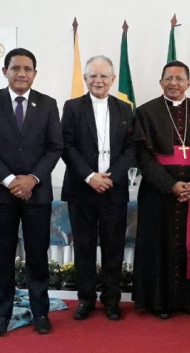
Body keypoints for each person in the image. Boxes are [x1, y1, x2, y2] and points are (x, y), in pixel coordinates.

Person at [0, 48, 62, 336]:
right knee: (2, 256)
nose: (21, 73)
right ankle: (2, 314)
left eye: (28, 69)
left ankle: (40, 312)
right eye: (15, 68)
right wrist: (11, 180)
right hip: (1, 194)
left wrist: (32, 179)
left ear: (35, 74)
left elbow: (54, 147)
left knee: (37, 256)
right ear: (5, 72)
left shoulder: (48, 104)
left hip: (37, 194)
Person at [132, 61, 190, 319]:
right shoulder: (146, 112)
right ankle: (160, 302)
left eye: (180, 78)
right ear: (160, 82)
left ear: (189, 83)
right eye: (168, 78)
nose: (174, 83)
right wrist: (170, 185)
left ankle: (189, 299)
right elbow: (143, 158)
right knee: (158, 245)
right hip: (157, 192)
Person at [61, 55, 135, 321]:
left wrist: (110, 177)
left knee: (113, 247)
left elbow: (131, 149)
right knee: (84, 247)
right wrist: (90, 176)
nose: (98, 80)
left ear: (113, 79)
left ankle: (112, 300)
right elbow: (66, 147)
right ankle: (86, 299)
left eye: (104, 76)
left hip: (113, 190)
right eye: (93, 75)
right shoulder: (72, 107)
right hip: (82, 190)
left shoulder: (125, 109)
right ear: (85, 79)